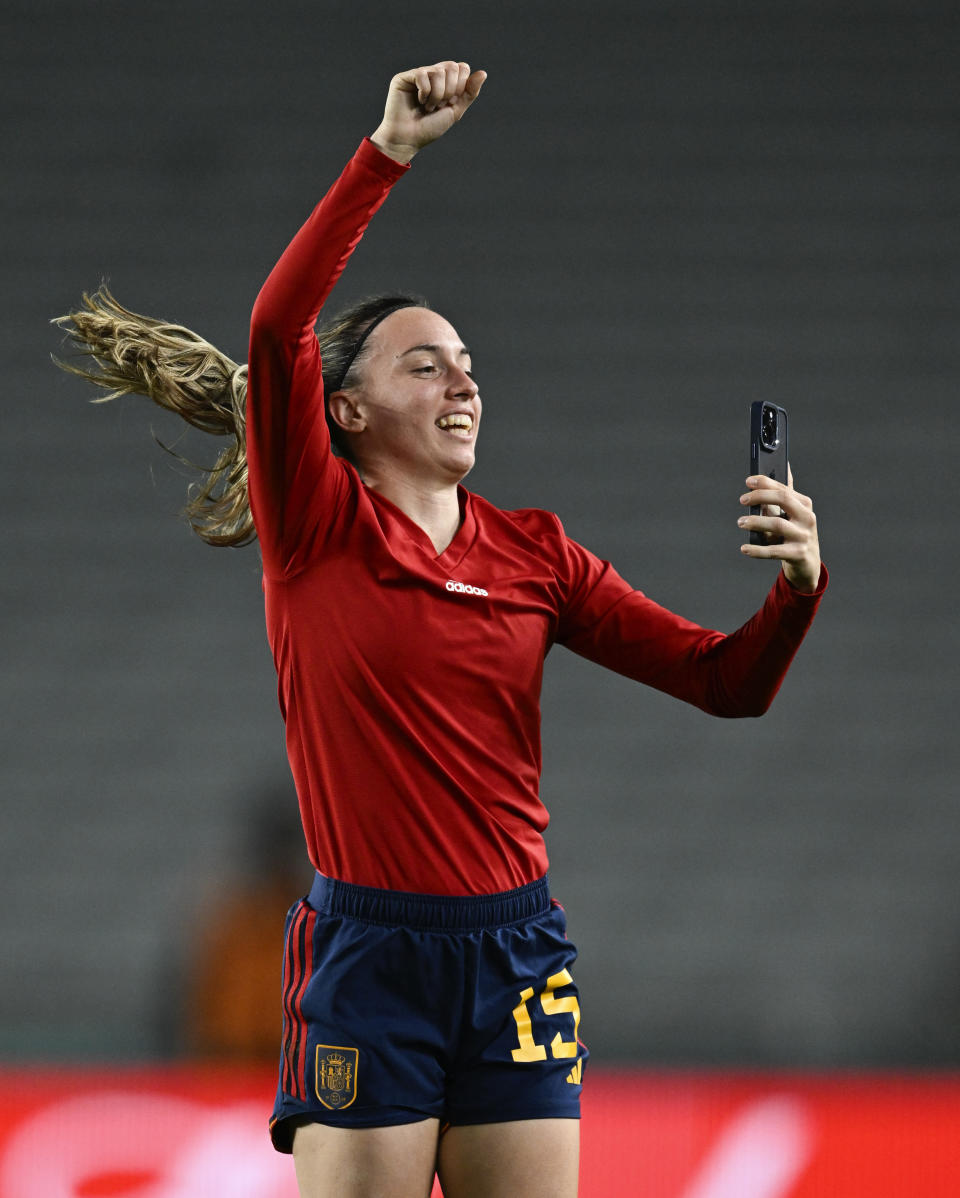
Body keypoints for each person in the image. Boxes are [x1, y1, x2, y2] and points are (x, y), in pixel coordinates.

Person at [55, 61, 826, 1198]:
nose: (464, 383)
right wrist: (388, 153)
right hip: (371, 956)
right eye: (426, 364)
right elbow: (277, 327)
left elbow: (727, 685)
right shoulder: (316, 522)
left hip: (516, 955)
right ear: (347, 409)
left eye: (470, 365)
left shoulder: (538, 554)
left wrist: (798, 590)